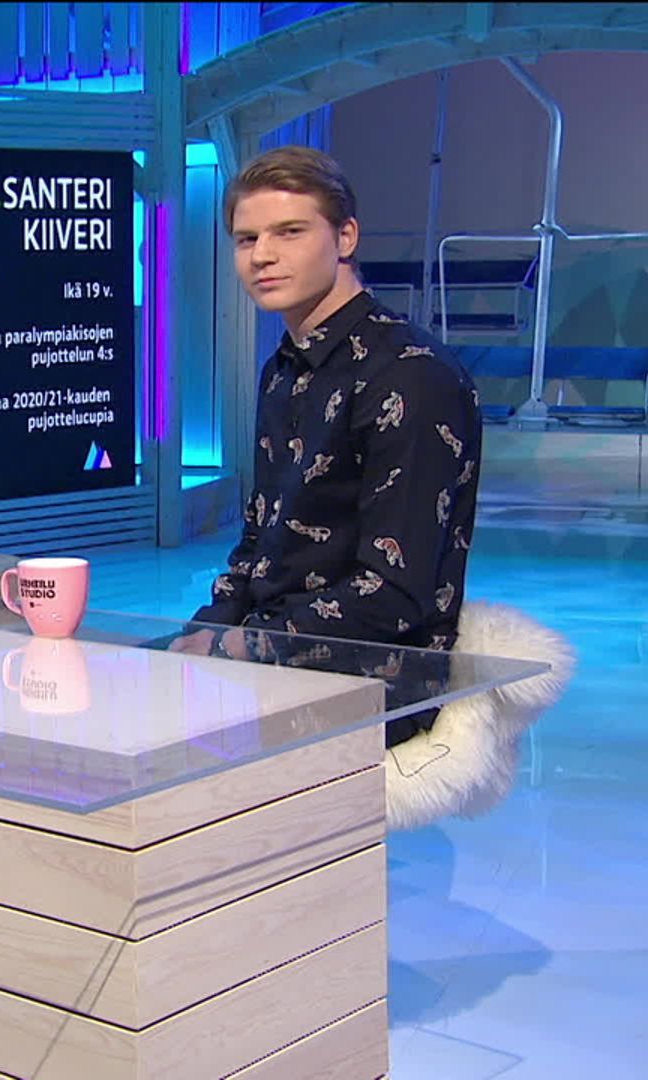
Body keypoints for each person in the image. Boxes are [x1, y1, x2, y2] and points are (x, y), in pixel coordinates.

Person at [178, 146, 482, 747]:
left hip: (374, 681)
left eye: (289, 232)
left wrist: (241, 645)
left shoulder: (412, 377)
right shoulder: (283, 370)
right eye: (246, 239)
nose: (262, 255)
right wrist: (206, 629)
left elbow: (394, 594)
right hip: (269, 655)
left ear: (345, 237)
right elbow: (259, 543)